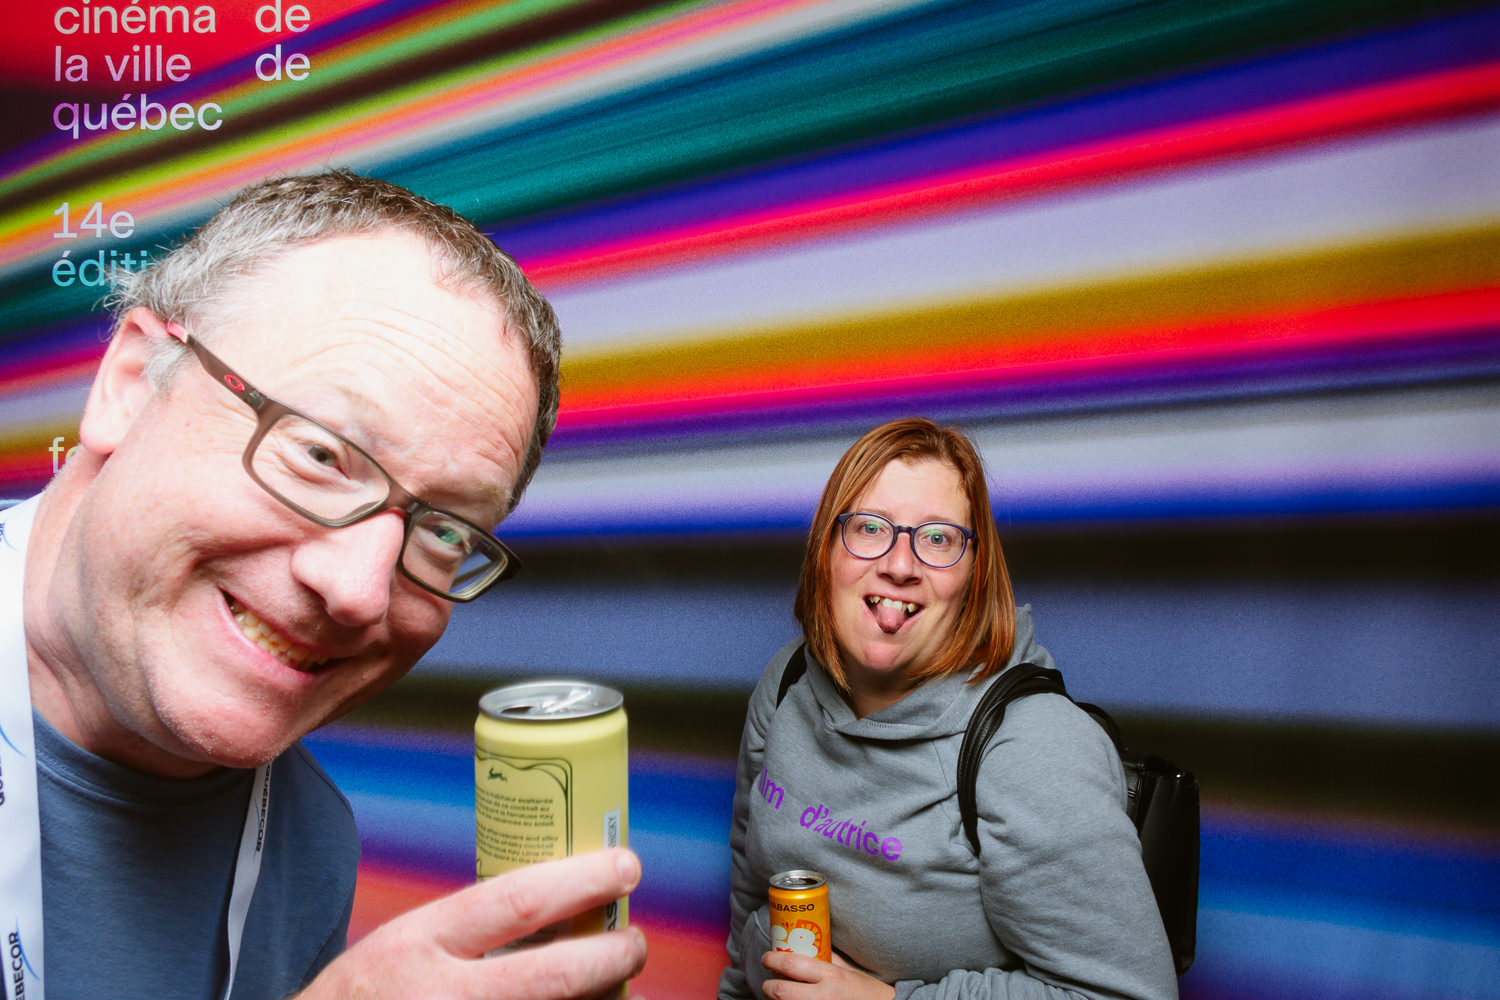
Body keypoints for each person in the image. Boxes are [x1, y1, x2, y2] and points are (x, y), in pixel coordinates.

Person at [0, 170, 646, 999]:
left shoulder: (311, 843)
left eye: (444, 531)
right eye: (319, 455)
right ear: (130, 384)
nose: (358, 589)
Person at [718, 417, 1177, 1000]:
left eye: (937, 539)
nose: (900, 565)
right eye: (869, 527)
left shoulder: (1034, 747)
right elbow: (748, 904)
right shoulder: (786, 683)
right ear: (825, 548)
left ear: (974, 573)